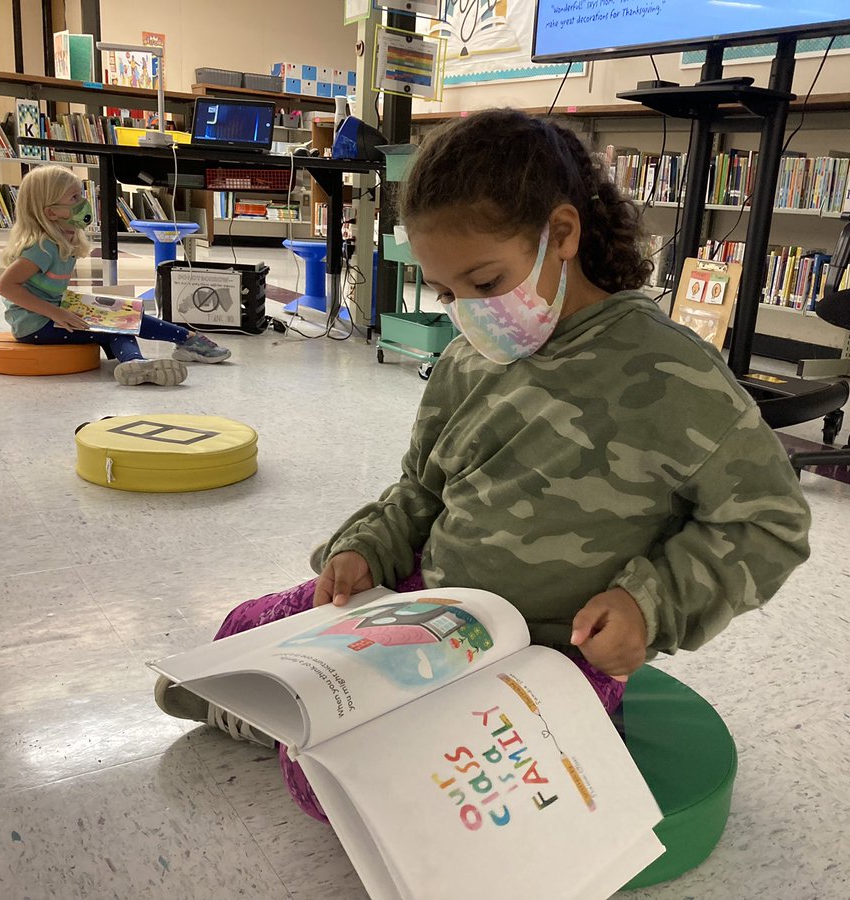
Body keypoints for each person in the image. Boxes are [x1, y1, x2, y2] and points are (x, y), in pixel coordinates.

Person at [155, 108, 812, 821]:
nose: (469, 312)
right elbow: (421, 488)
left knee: (334, 785)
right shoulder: (471, 358)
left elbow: (768, 523)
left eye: (485, 280)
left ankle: (274, 721)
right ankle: (261, 706)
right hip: (432, 606)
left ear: (561, 235)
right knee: (249, 626)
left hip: (554, 653)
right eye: (446, 293)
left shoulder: (673, 375)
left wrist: (649, 604)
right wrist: (369, 543)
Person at [0, 165, 229, 386]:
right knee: (116, 326)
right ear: (52, 212)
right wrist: (56, 312)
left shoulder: (62, 239)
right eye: (74, 198)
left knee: (122, 313)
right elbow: (5, 287)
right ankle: (142, 360)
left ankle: (184, 341)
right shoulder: (42, 247)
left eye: (81, 195)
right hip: (36, 326)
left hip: (51, 313)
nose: (83, 203)